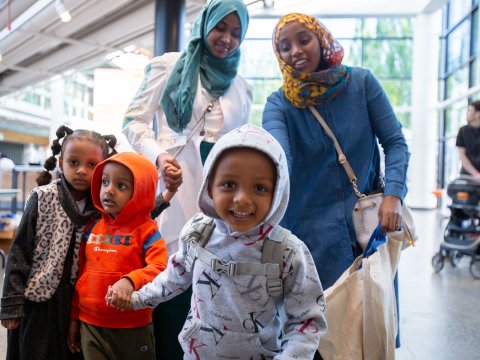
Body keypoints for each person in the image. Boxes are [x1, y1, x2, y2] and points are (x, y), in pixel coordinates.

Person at [107, 124, 327, 359]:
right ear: (209, 186)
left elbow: (306, 321)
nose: (242, 199)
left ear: (278, 192)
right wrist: (138, 299)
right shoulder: (198, 232)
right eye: (229, 184)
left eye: (260, 188)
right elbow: (174, 277)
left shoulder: (288, 252)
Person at [121, 0, 252, 357]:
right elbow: (131, 122)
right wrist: (158, 155)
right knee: (170, 282)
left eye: (236, 33)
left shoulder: (242, 87)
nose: (227, 39)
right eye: (220, 28)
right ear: (204, 24)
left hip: (220, 199)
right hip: (173, 190)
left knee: (213, 288)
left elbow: (241, 147)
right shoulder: (167, 65)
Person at [263, 13, 409, 291]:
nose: (295, 51)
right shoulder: (278, 105)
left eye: (304, 40)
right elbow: (279, 159)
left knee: (374, 320)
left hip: (368, 229)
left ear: (321, 39)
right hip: (311, 237)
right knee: (321, 328)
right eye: (285, 46)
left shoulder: (362, 84)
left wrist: (394, 195)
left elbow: (395, 142)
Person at [0, 126, 116, 360]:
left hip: (78, 306)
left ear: (103, 167)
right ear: (61, 162)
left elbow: (137, 215)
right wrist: (11, 304)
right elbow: (19, 252)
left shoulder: (104, 206)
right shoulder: (42, 198)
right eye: (74, 162)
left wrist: (164, 199)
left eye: (92, 165)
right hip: (39, 304)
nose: (82, 170)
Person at [67, 152, 174, 360]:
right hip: (90, 325)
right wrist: (74, 317)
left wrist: (129, 281)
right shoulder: (92, 228)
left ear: (141, 191)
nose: (109, 190)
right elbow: (81, 274)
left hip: (132, 326)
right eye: (105, 182)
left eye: (121, 186)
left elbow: (160, 268)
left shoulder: (147, 231)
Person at [456, 100, 480, 179]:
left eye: (470, 110)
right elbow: (462, 155)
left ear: (478, 114)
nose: (467, 113)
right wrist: (476, 175)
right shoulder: (463, 130)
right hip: (466, 176)